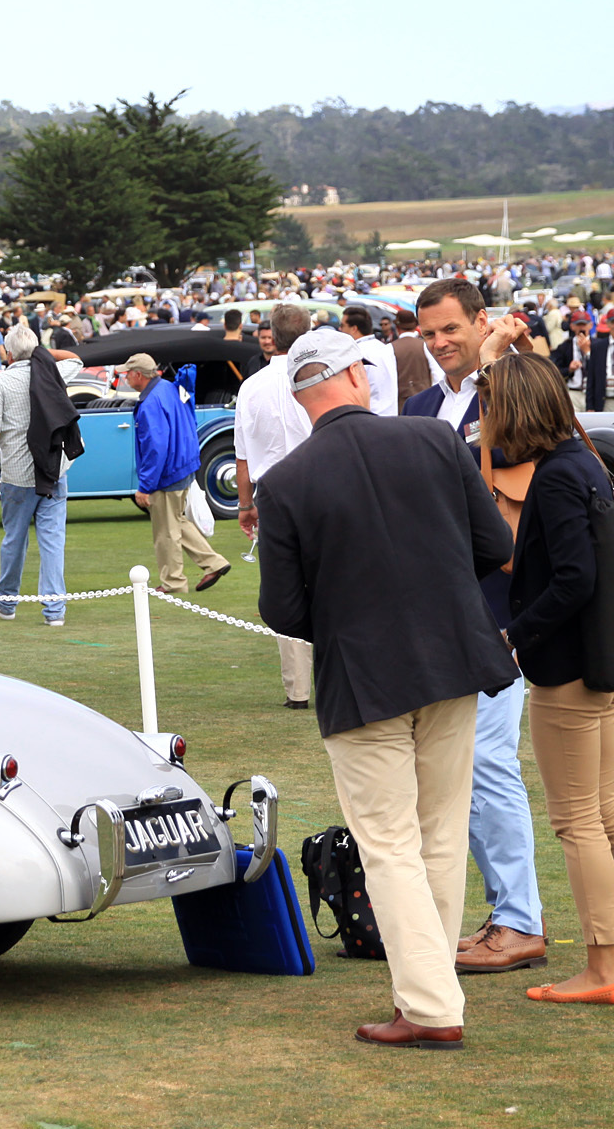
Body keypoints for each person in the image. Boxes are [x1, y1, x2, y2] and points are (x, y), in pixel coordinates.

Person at [256, 326, 518, 1050]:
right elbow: (495, 548)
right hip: (451, 660)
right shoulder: (433, 442)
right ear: (355, 379)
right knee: (433, 835)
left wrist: (345, 620)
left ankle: (429, 1003)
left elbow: (282, 609)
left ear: (302, 394)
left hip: (365, 678)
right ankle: (428, 995)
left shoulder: (288, 483)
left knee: (394, 844)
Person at [408, 278, 548, 975]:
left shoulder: (508, 392)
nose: (439, 345)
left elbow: (516, 449)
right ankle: (502, 915)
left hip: (503, 611)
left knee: (489, 765)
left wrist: (494, 361)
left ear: (481, 322)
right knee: (458, 772)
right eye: (428, 334)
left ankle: (520, 920)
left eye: (451, 330)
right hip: (441, 612)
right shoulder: (421, 406)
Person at [477, 353, 614, 1002]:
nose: (487, 418)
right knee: (604, 816)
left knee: (578, 820)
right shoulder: (584, 461)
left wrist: (516, 633)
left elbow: (574, 578)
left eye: (493, 405)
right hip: (595, 665)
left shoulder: (561, 474)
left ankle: (603, 966)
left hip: (566, 672)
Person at [234, 304, 318, 708]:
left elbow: (243, 456)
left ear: (271, 335)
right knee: (330, 578)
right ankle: (322, 680)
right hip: (317, 486)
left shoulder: (252, 386)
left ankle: (298, 689)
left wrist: (245, 503)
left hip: (273, 491)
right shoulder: (318, 377)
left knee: (287, 586)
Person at [0, 324, 71, 627]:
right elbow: (76, 359)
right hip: (53, 469)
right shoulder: (52, 373)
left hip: (19, 472)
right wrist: (42, 353)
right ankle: (54, 609)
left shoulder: (1, 382)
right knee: (52, 540)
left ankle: (7, 599)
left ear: (7, 353)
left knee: (15, 538)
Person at [123, 352, 229, 595]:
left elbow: (155, 446)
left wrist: (145, 486)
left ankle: (173, 582)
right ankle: (214, 563)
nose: (126, 377)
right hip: (182, 467)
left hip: (167, 473)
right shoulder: (169, 388)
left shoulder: (151, 402)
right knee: (176, 522)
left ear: (138, 375)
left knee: (165, 531)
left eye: (128, 373)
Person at [341, 306, 398, 415]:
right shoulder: (385, 349)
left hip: (368, 419)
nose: (340, 329)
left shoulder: (356, 354)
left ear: (354, 329)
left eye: (343, 326)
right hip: (391, 417)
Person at [394, 308, 433, 409]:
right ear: (416, 326)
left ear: (397, 327)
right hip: (426, 402)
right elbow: (437, 375)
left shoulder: (390, 348)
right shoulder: (425, 346)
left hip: (400, 404)